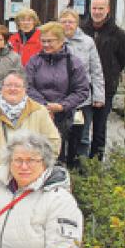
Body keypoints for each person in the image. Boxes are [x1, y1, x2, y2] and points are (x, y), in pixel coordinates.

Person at [25, 22, 90, 157]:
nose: (46, 44)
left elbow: (82, 90)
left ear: (61, 41)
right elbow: (27, 86)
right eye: (43, 41)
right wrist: (45, 106)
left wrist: (62, 106)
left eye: (50, 41)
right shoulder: (34, 61)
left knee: (57, 148)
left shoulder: (73, 63)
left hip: (63, 112)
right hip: (37, 110)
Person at [0, 71, 61, 165]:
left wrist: (37, 167)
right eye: (8, 85)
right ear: (2, 89)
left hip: (30, 172)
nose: (12, 89)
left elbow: (53, 143)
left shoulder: (40, 111)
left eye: (17, 86)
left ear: (25, 89)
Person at [81, 0, 125, 161]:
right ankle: (80, 161)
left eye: (101, 8)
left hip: (107, 87)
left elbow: (123, 60)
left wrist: (110, 73)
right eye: (94, 8)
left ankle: (96, 163)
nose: (97, 12)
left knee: (100, 129)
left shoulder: (119, 35)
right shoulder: (82, 31)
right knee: (81, 127)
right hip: (83, 88)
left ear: (107, 9)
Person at [60, 8, 105, 167]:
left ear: (76, 24)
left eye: (70, 22)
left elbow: (96, 70)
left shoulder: (87, 42)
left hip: (82, 99)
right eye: (64, 21)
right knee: (61, 136)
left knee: (82, 136)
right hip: (60, 98)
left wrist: (99, 96)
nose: (67, 25)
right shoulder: (55, 41)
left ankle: (81, 171)